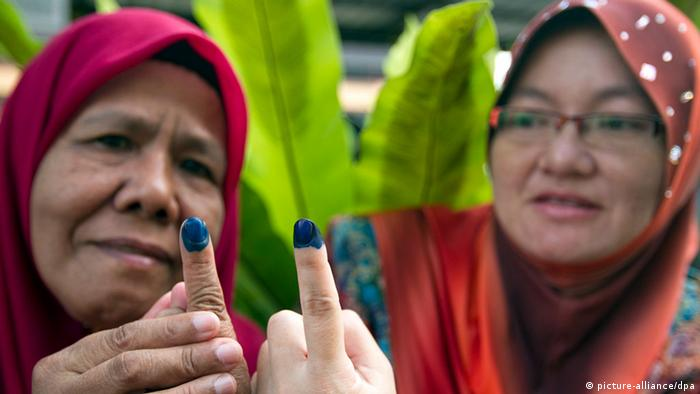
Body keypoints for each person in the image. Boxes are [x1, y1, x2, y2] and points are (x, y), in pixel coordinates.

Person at [328, 0, 700, 393]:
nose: (562, 158)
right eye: (528, 117)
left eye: (614, 123)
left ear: (683, 154)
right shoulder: (380, 266)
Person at [0, 8, 265, 393]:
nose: (155, 192)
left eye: (196, 166)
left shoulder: (267, 375)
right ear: (23, 159)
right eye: (113, 141)